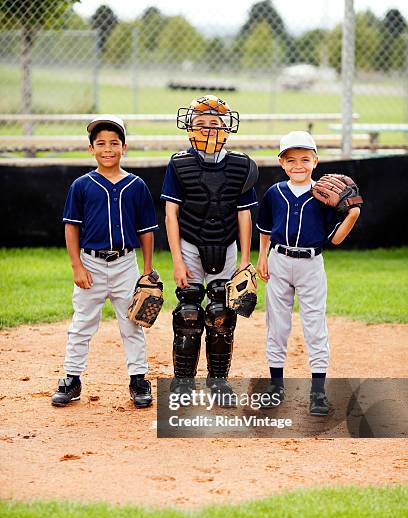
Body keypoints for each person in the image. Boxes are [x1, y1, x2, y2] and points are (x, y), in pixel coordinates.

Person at [51, 114, 159, 409]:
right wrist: (77, 265)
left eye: (114, 143)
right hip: (92, 263)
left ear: (124, 147)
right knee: (82, 323)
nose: (107, 148)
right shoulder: (81, 185)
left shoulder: (136, 185)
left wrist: (147, 270)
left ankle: (139, 379)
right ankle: (71, 379)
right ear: (91, 149)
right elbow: (71, 226)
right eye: (100, 143)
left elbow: (146, 230)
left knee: (132, 323)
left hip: (126, 264)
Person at [161, 95, 258, 403]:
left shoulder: (241, 166)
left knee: (221, 313)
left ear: (227, 130)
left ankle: (218, 382)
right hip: (189, 243)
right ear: (189, 129)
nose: (207, 130)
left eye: (214, 124)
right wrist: (177, 260)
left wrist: (245, 260)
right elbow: (170, 214)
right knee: (189, 312)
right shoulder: (179, 164)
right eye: (200, 124)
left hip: (226, 245)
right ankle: (184, 383)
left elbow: (245, 213)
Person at [256, 131, 361, 416]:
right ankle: (276, 387)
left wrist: (351, 215)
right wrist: (262, 258)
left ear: (316, 161)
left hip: (311, 264)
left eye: (305, 159)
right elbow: (265, 229)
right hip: (278, 260)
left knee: (314, 326)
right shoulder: (274, 193)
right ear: (281, 162)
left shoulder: (324, 196)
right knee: (277, 325)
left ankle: (317, 392)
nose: (298, 165)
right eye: (291, 160)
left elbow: (335, 239)